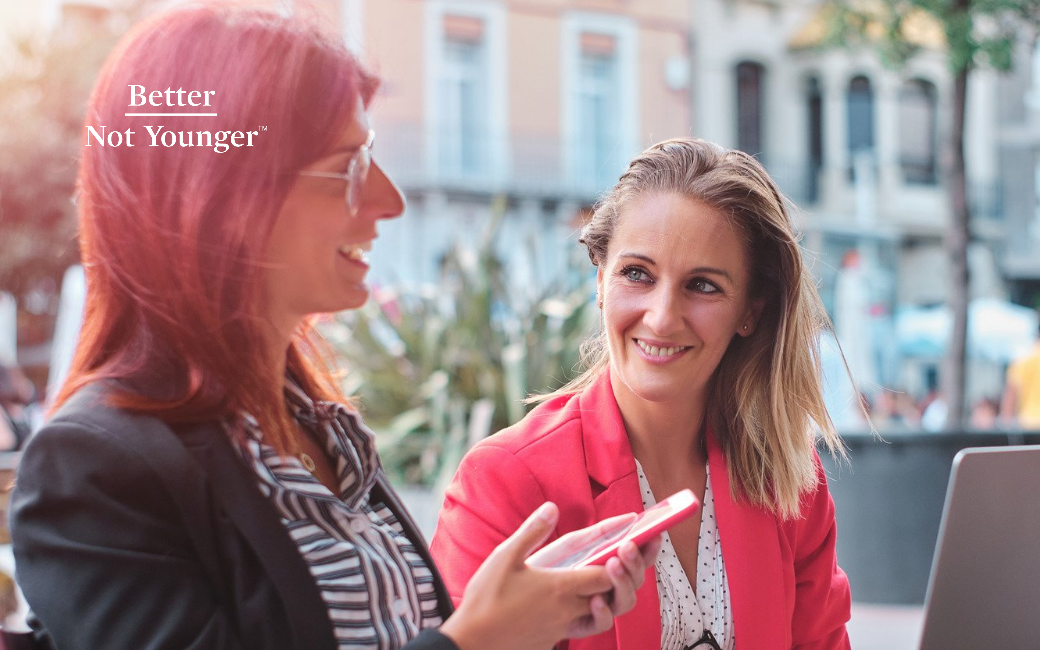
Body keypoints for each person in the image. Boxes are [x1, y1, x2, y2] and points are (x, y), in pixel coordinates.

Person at [8, 7, 657, 650]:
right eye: (348, 166)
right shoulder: (92, 469)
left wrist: (522, 615)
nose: (389, 201)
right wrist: (478, 640)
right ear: (222, 194)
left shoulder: (320, 425)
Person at [432, 138, 853, 649]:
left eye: (703, 285)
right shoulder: (505, 482)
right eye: (637, 274)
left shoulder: (788, 476)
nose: (661, 317)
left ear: (751, 310)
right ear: (600, 279)